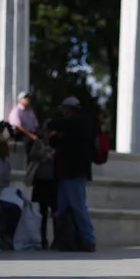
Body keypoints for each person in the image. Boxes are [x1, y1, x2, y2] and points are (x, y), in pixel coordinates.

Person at [47, 96, 97, 252]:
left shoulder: (80, 122)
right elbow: (54, 141)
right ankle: (66, 240)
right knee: (63, 209)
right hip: (64, 174)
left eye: (64, 109)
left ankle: (88, 239)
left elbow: (56, 125)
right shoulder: (71, 127)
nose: (62, 112)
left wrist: (50, 125)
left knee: (78, 207)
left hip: (75, 173)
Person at [28, 119, 58, 249]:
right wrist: (42, 154)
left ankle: (57, 239)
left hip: (54, 180)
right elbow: (32, 156)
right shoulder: (38, 143)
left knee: (55, 211)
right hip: (41, 180)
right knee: (43, 212)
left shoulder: (58, 143)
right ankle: (43, 239)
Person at [7, 91, 40, 158]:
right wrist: (31, 135)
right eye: (25, 98)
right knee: (29, 143)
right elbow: (18, 126)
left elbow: (36, 125)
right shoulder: (16, 111)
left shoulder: (30, 111)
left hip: (31, 133)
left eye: (28, 98)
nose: (28, 99)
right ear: (19, 100)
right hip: (21, 134)